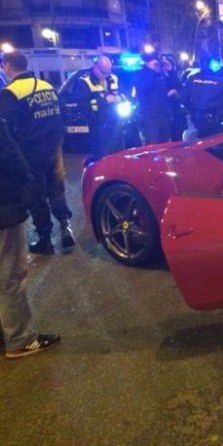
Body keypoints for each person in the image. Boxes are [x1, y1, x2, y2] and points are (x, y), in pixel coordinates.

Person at [0, 50, 74, 256]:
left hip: (30, 151)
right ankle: (66, 225)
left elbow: (5, 126)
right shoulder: (46, 86)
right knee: (57, 188)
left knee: (36, 194)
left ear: (7, 65)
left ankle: (45, 239)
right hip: (54, 146)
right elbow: (62, 114)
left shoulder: (9, 92)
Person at [0, 117, 61, 359]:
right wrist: (27, 181)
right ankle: (19, 339)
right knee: (10, 273)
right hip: (3, 206)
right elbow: (10, 157)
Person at [75, 55, 126, 158]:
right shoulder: (84, 81)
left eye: (108, 72)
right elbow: (82, 105)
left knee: (119, 157)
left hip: (116, 125)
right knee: (103, 159)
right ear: (95, 67)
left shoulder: (113, 78)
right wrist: (104, 101)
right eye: (103, 72)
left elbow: (125, 95)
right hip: (98, 128)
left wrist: (117, 98)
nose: (105, 76)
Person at [182, 57, 223, 139]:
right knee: (217, 144)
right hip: (217, 118)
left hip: (198, 118)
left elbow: (184, 99)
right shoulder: (221, 80)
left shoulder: (192, 79)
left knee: (201, 144)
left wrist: (192, 111)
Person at [132, 51, 181, 145]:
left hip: (165, 116)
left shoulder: (161, 75)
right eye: (155, 64)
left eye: (158, 64)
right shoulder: (139, 74)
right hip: (150, 118)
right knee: (152, 146)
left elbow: (177, 86)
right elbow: (144, 87)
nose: (157, 66)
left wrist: (171, 71)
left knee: (165, 146)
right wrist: (152, 71)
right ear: (147, 63)